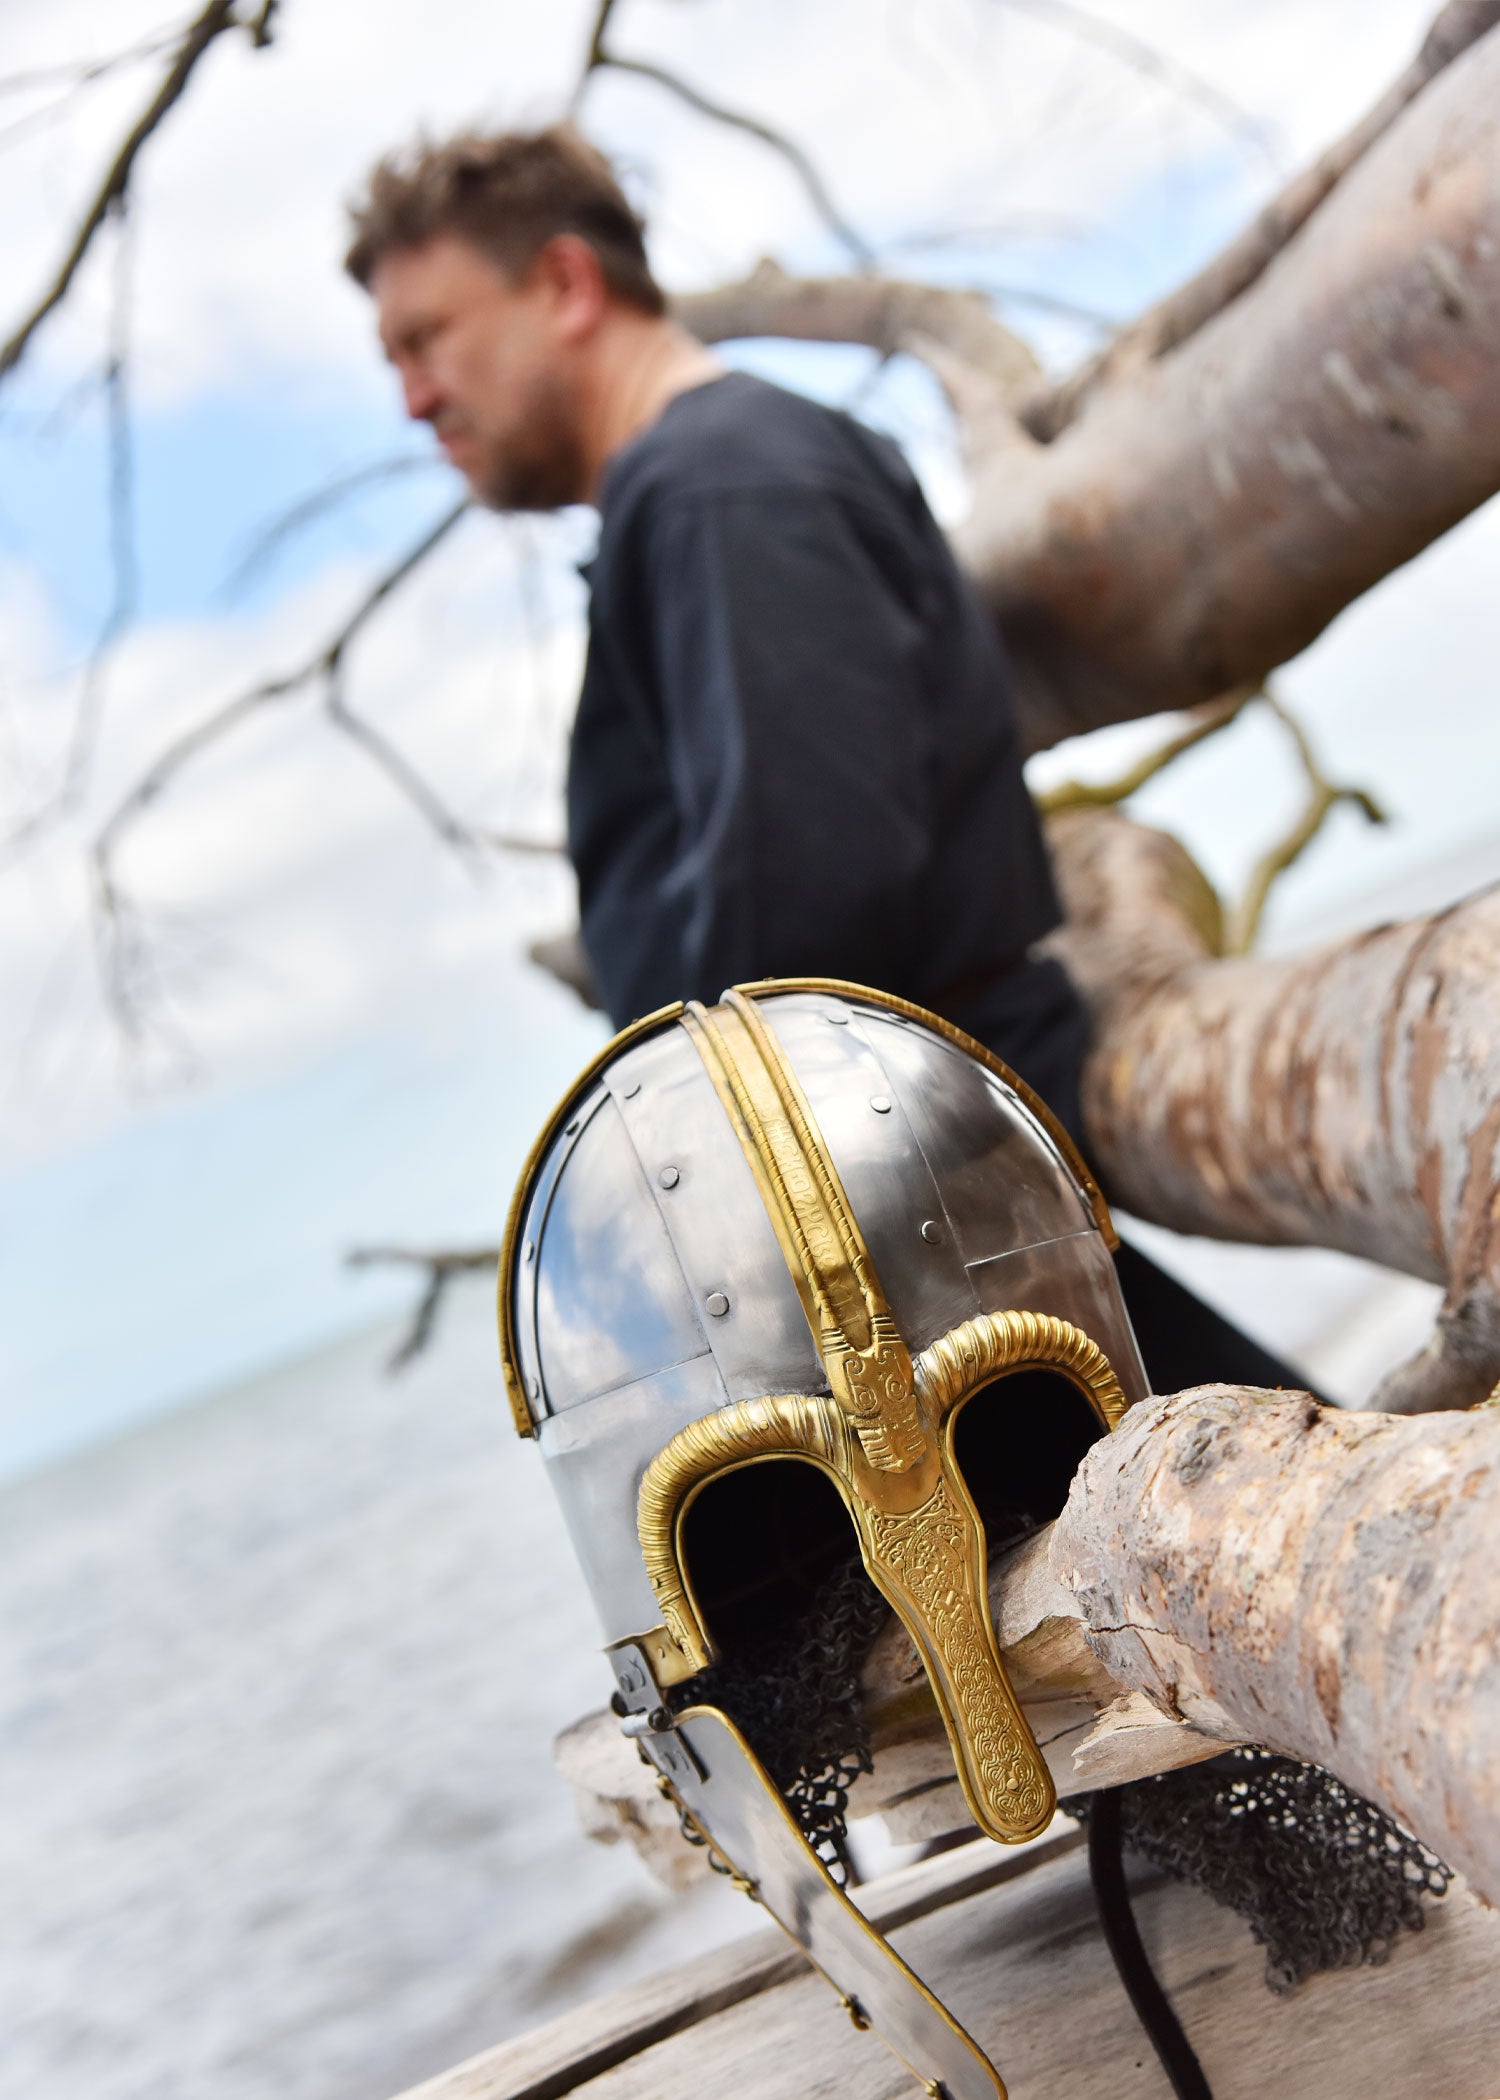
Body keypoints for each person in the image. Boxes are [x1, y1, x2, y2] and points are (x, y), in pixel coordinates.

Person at [346, 124, 1300, 1399]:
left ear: (567, 287)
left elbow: (811, 914)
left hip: (917, 1234)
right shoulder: (702, 493)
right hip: (909, 1224)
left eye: (428, 338)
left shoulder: (725, 488)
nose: (415, 397)